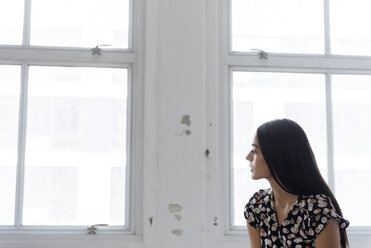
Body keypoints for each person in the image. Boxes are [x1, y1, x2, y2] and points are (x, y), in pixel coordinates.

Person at [244, 119, 349, 248]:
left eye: (254, 151)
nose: (248, 156)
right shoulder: (257, 206)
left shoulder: (317, 210)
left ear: (277, 155)